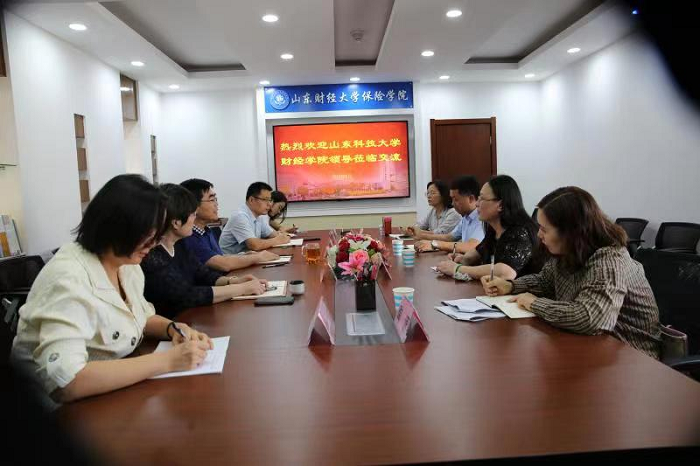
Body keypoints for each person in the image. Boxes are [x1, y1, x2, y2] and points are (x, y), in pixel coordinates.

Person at [11, 175, 214, 404]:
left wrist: (174, 328)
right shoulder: (68, 276)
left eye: (157, 235)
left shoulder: (127, 264)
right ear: (119, 228)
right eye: (148, 235)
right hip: (51, 410)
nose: (154, 244)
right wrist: (168, 361)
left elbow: (141, 316)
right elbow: (66, 380)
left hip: (110, 391)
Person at [481, 186, 661, 359]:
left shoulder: (610, 260)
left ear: (571, 232)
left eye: (544, 229)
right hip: (595, 347)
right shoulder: (570, 251)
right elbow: (545, 281)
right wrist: (510, 286)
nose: (539, 235)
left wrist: (534, 303)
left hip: (633, 357)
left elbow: (590, 318)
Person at [141, 184, 268, 318]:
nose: (194, 218)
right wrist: (241, 289)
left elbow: (202, 274)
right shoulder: (152, 256)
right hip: (174, 322)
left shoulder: (180, 244)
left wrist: (233, 281)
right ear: (176, 223)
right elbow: (186, 295)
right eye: (192, 214)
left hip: (191, 317)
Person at [436, 175, 540, 280]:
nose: (477, 204)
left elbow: (505, 272)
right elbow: (477, 252)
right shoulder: (494, 229)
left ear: (500, 205)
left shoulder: (520, 232)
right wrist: (463, 259)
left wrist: (458, 269)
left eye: (482, 199)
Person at [180, 179, 278, 272]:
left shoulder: (205, 231)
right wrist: (256, 257)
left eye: (216, 199)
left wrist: (244, 255)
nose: (217, 204)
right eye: (212, 200)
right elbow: (222, 264)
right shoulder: (189, 237)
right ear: (193, 205)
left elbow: (219, 256)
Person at [413, 175, 485, 253]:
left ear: (471, 199)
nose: (453, 203)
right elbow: (449, 237)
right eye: (452, 199)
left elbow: (471, 246)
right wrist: (425, 238)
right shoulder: (466, 217)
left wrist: (434, 244)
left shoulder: (482, 218)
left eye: (456, 199)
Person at [219, 182, 292, 254]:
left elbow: (274, 235)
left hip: (248, 257)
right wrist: (277, 240)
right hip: (231, 259)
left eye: (270, 200)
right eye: (265, 200)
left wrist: (283, 236)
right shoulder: (239, 216)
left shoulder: (259, 216)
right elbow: (254, 245)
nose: (269, 204)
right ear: (252, 200)